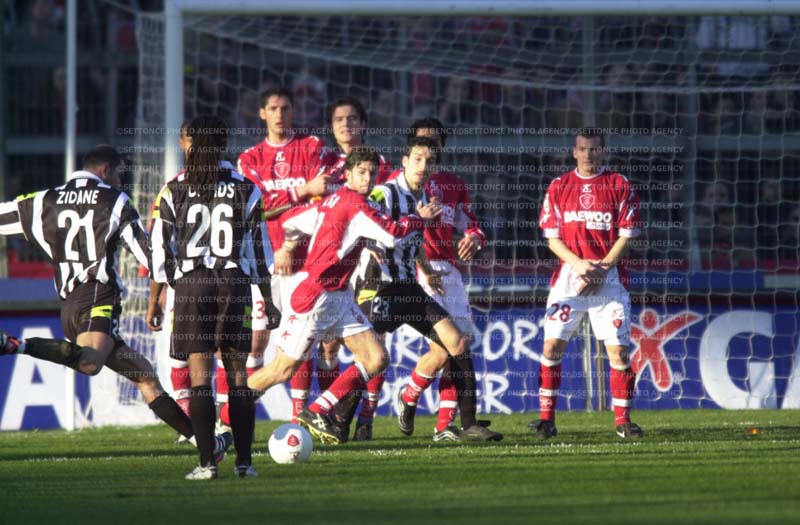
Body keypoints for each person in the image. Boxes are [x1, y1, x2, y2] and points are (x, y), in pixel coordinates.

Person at [0, 144, 231, 460]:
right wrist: (188, 279)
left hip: (69, 306)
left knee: (144, 375)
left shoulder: (43, 201)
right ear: (105, 170)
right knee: (90, 362)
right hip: (98, 295)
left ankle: (207, 447)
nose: (122, 181)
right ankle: (14, 345)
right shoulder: (114, 200)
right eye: (120, 174)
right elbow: (149, 256)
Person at [246, 146, 441, 445]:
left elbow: (291, 222)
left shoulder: (333, 200)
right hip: (315, 297)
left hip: (339, 296)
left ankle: (316, 410)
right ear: (348, 174)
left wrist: (288, 245)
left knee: (376, 358)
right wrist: (419, 217)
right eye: (361, 172)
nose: (367, 178)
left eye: (372, 173)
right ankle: (227, 417)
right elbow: (393, 235)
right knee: (281, 370)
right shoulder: (356, 205)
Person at [335, 136, 501, 443]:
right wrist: (368, 246)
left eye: (430, 161)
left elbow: (414, 240)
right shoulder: (385, 192)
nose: (423, 166)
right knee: (372, 358)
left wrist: (426, 269)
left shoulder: (423, 196)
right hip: (379, 287)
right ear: (405, 162)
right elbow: (356, 219)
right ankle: (339, 418)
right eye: (417, 159)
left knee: (457, 342)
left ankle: (469, 425)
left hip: (409, 288)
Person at [147, 115, 277, 480]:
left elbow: (159, 252)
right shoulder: (246, 188)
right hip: (233, 284)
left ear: (190, 145)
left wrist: (160, 296)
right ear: (223, 145)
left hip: (193, 286)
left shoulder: (173, 189)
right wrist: (268, 298)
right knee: (238, 377)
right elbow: (260, 252)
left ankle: (206, 464)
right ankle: (245, 464)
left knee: (200, 378)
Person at [531, 130, 644, 440]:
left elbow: (627, 235)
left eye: (594, 149)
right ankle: (546, 420)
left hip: (608, 277)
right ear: (574, 152)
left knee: (619, 353)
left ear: (603, 151)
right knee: (551, 346)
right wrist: (580, 266)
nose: (588, 154)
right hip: (570, 276)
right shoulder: (558, 186)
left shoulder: (619, 185)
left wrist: (600, 270)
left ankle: (623, 422)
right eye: (583, 149)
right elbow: (552, 238)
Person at [237, 86, 328, 424]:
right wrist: (302, 190)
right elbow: (256, 206)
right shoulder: (249, 158)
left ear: (294, 111)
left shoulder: (312, 147)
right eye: (273, 108)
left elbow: (320, 202)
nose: (279, 114)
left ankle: (298, 414)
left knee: (302, 341)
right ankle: (242, 411)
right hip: (263, 261)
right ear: (262, 113)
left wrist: (288, 243)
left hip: (305, 263)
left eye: (285, 108)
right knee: (255, 340)